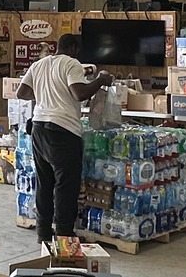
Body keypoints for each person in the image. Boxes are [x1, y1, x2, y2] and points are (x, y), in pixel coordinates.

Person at [15, 32, 114, 248]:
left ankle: (43, 232)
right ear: (73, 48)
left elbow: (21, 93)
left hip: (39, 128)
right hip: (63, 131)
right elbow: (79, 94)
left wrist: (45, 95)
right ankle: (64, 234)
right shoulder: (71, 64)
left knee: (44, 183)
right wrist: (100, 80)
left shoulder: (39, 65)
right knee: (65, 185)